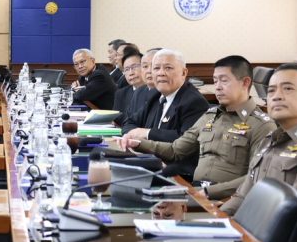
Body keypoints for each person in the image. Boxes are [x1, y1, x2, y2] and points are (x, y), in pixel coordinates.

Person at [117, 55, 276, 188]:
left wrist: (208, 194)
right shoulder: (210, 115)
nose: (218, 87)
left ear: (245, 82)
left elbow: (256, 177)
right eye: (215, 81)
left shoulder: (262, 125)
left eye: (224, 80)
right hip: (196, 190)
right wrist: (137, 143)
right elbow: (176, 150)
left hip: (224, 199)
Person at [221, 64, 297, 217]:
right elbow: (241, 197)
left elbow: (292, 211)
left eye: (288, 89)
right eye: (271, 90)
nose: (276, 96)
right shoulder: (269, 140)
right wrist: (215, 221)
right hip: (243, 225)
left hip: (270, 231)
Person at [121, 48, 210, 145]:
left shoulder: (194, 101)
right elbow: (128, 123)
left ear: (183, 73)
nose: (161, 73)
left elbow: (185, 140)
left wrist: (147, 133)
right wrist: (131, 135)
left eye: (168, 68)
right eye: (156, 68)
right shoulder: (156, 95)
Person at [112, 45, 143, 121]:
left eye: (134, 67)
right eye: (126, 69)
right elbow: (116, 119)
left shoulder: (154, 92)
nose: (131, 73)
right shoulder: (121, 93)